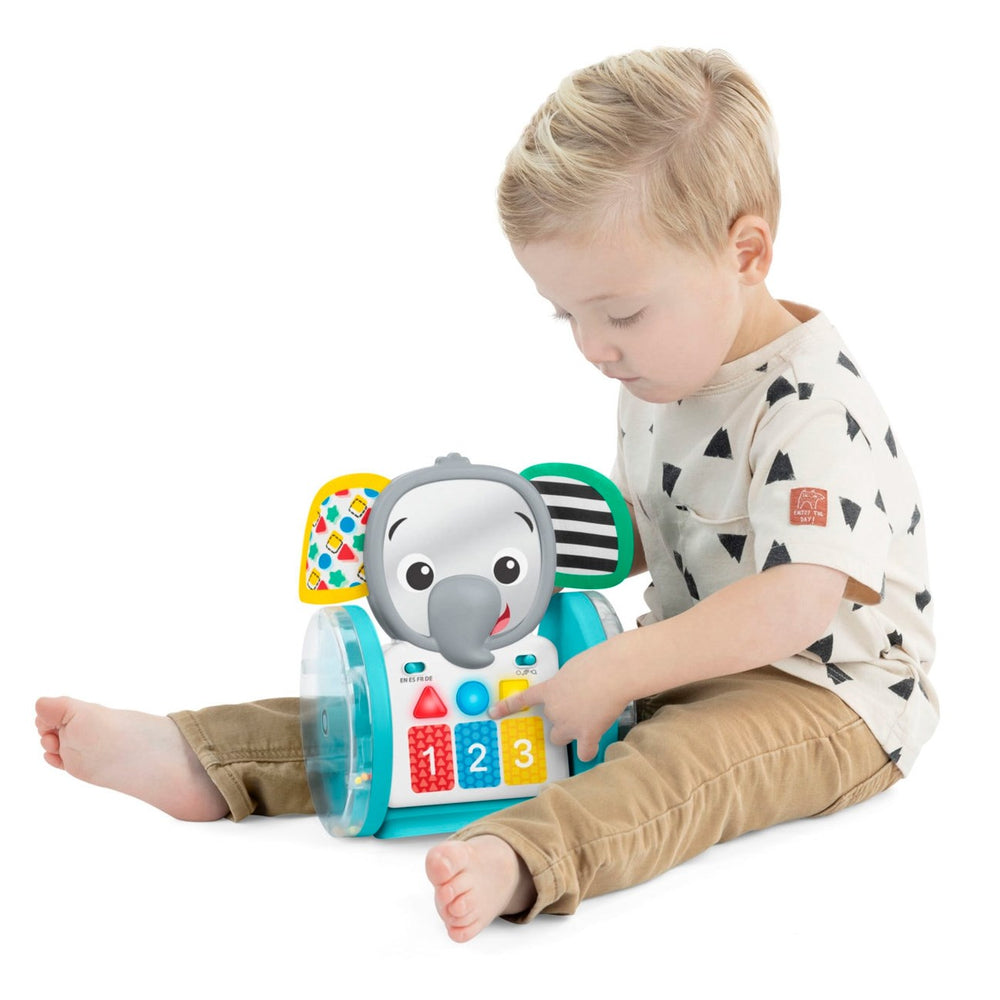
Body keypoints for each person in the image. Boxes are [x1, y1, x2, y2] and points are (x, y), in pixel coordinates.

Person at [35, 47, 937, 944]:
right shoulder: (663, 367)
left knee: (680, 763)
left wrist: (620, 668)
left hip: (833, 698)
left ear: (745, 253)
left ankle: (527, 853)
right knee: (443, 685)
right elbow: (654, 528)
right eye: (569, 315)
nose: (594, 347)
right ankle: (213, 756)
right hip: (679, 660)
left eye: (621, 313)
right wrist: (509, 552)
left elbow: (795, 602)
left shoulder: (812, 409)